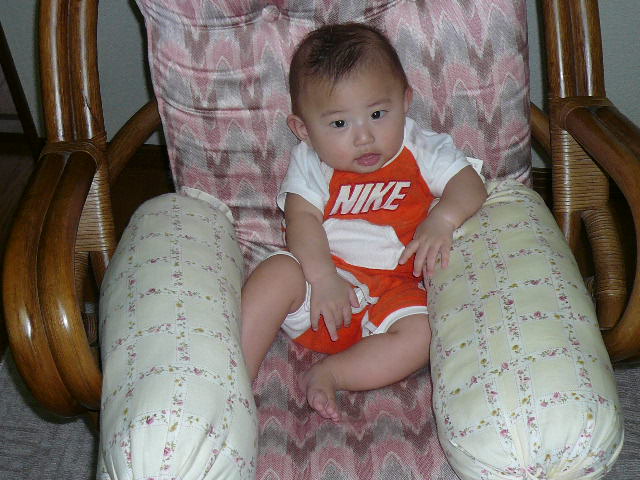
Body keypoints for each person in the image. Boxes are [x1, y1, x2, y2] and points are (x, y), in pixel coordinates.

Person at [241, 23, 487, 421]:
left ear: (405, 102)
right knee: (275, 273)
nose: (364, 137)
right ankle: (235, 379)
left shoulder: (419, 147)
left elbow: (470, 184)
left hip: (397, 292)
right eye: (339, 124)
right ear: (304, 130)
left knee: (425, 333)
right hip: (322, 289)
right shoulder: (312, 161)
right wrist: (323, 277)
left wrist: (443, 218)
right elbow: (302, 219)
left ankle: (333, 374)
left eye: (377, 114)